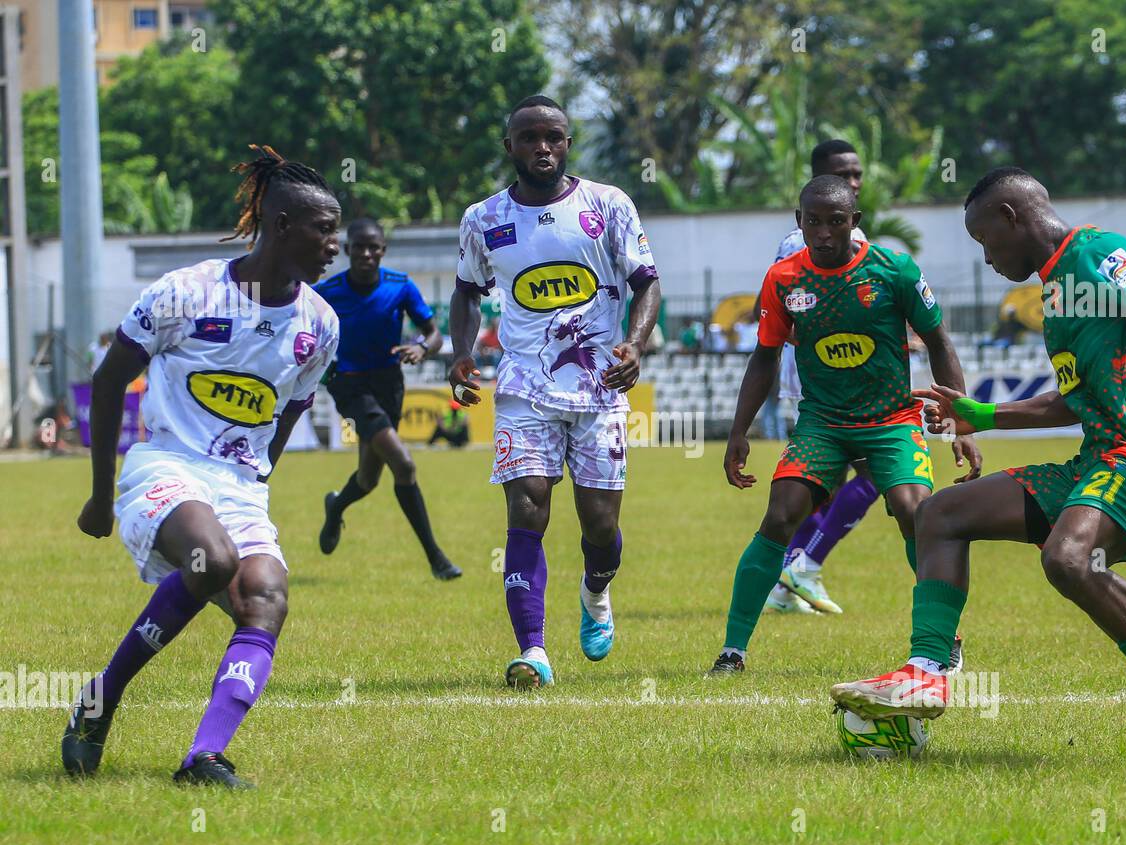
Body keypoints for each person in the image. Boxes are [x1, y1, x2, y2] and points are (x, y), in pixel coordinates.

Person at [831, 166, 1126, 766]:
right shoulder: (1057, 293)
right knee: (940, 514)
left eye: (984, 241)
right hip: (1098, 460)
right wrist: (980, 414)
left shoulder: (1094, 253)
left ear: (1010, 217)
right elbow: (1069, 400)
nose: (988, 259)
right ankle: (926, 673)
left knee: (1068, 559)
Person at [63, 146, 341, 787]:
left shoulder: (320, 325)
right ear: (280, 227)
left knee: (266, 598)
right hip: (166, 465)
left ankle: (202, 756)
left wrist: (256, 483)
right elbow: (108, 385)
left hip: (240, 485)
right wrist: (100, 497)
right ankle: (102, 701)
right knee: (210, 560)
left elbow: (289, 410)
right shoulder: (186, 293)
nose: (335, 243)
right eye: (323, 230)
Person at [709, 174, 980, 675]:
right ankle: (732, 651)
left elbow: (939, 342)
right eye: (814, 222)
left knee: (914, 510)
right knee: (780, 512)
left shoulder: (893, 269)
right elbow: (764, 357)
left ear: (854, 223)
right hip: (823, 423)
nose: (825, 233)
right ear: (800, 222)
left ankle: (946, 638)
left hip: (892, 419)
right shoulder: (785, 279)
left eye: (836, 222)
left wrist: (961, 425)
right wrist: (738, 430)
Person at [449, 95, 661, 688]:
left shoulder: (609, 205)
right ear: (509, 146)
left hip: (599, 388)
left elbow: (646, 282)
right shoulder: (483, 219)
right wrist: (463, 352)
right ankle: (533, 650)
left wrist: (636, 344)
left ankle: (596, 590)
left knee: (599, 526)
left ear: (568, 144)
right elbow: (467, 292)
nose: (543, 147)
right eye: (529, 137)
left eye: (555, 137)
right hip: (523, 386)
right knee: (526, 507)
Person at [764, 140, 888, 618]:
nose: (854, 181)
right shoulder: (803, 241)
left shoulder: (850, 234)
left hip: (845, 380)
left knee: (826, 488)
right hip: (826, 384)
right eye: (843, 174)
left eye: (857, 174)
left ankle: (788, 584)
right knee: (877, 474)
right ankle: (805, 566)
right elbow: (776, 314)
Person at [315, 218, 461, 579]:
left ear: (383, 250)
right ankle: (436, 558)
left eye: (373, 247)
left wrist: (422, 348)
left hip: (389, 384)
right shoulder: (327, 291)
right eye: (359, 247)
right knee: (405, 464)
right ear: (347, 251)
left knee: (368, 479)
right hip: (350, 385)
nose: (366, 253)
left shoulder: (400, 286)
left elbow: (433, 334)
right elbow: (304, 333)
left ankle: (336, 506)